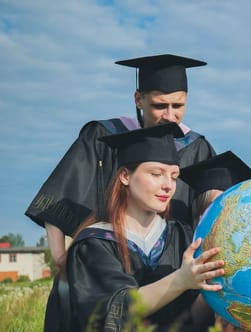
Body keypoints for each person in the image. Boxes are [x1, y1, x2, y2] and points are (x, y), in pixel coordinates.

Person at [25, 54, 217, 274]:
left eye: (178, 105)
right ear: (138, 99)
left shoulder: (197, 147)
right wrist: (60, 258)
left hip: (173, 271)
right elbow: (59, 196)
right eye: (159, 105)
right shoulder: (103, 137)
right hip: (109, 268)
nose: (170, 116)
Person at [44, 123, 224, 332]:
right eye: (156, 174)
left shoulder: (182, 237)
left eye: (174, 176)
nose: (168, 186)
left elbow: (189, 321)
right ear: (125, 176)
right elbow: (114, 311)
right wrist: (180, 280)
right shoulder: (95, 243)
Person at [180, 151, 251, 332]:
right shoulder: (180, 249)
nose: (220, 217)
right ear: (198, 215)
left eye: (229, 209)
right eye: (211, 209)